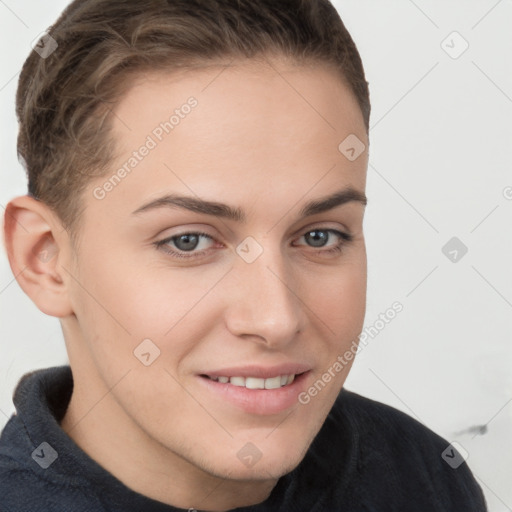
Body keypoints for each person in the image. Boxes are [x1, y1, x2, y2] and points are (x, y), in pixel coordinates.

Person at [0, 0, 487, 510]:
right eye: (188, 241)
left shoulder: (424, 478)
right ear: (46, 258)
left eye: (320, 236)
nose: (276, 319)